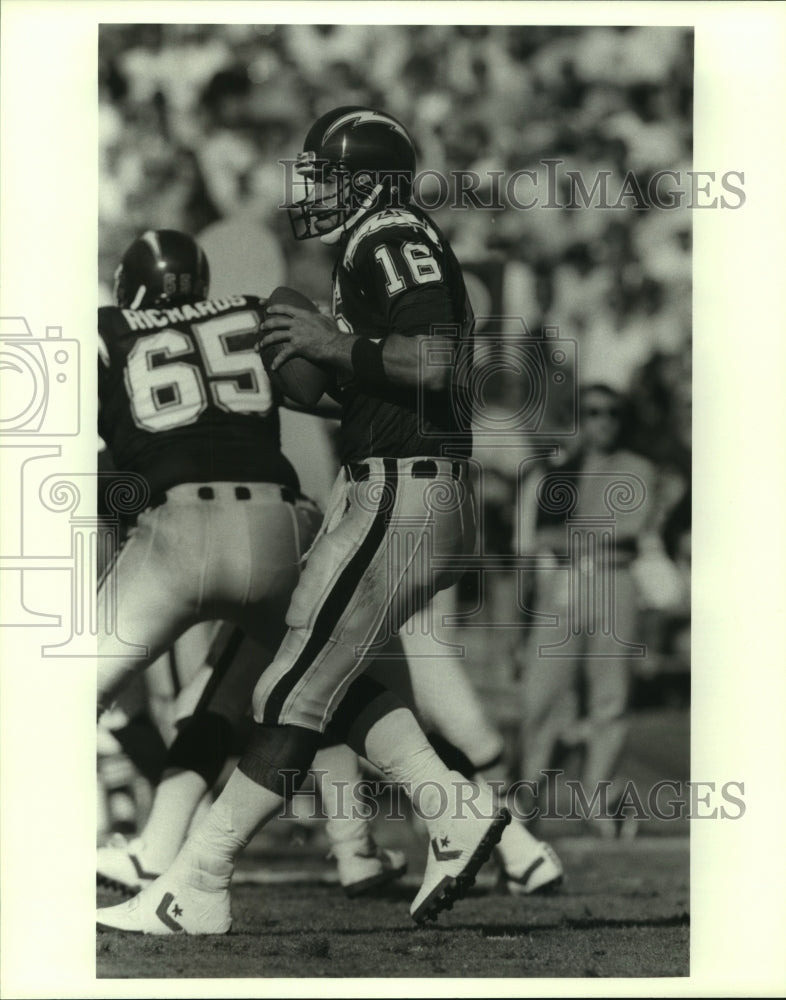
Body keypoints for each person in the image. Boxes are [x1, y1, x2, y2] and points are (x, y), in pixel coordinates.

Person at [97, 106, 514, 935]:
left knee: (290, 688)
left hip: (404, 487)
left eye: (327, 175)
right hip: (401, 480)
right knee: (314, 675)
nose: (313, 191)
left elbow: (436, 360)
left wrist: (331, 345)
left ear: (368, 181)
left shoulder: (387, 235)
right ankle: (454, 815)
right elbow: (388, 379)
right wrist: (323, 378)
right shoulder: (376, 243)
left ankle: (197, 881)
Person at [95, 227, 406, 895]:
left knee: (232, 694)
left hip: (180, 531)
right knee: (312, 690)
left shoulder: (111, 331)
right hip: (286, 522)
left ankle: (158, 847)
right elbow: (319, 390)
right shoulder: (248, 310)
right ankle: (390, 839)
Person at [518, 383, 658, 835]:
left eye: (613, 413)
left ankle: (596, 802)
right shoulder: (561, 470)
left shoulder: (638, 468)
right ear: (582, 418)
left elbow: (627, 529)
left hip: (614, 581)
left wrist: (574, 534)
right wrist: (584, 535)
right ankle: (528, 799)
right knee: (540, 696)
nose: (604, 422)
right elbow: (541, 538)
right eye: (595, 413)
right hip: (565, 583)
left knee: (610, 696)